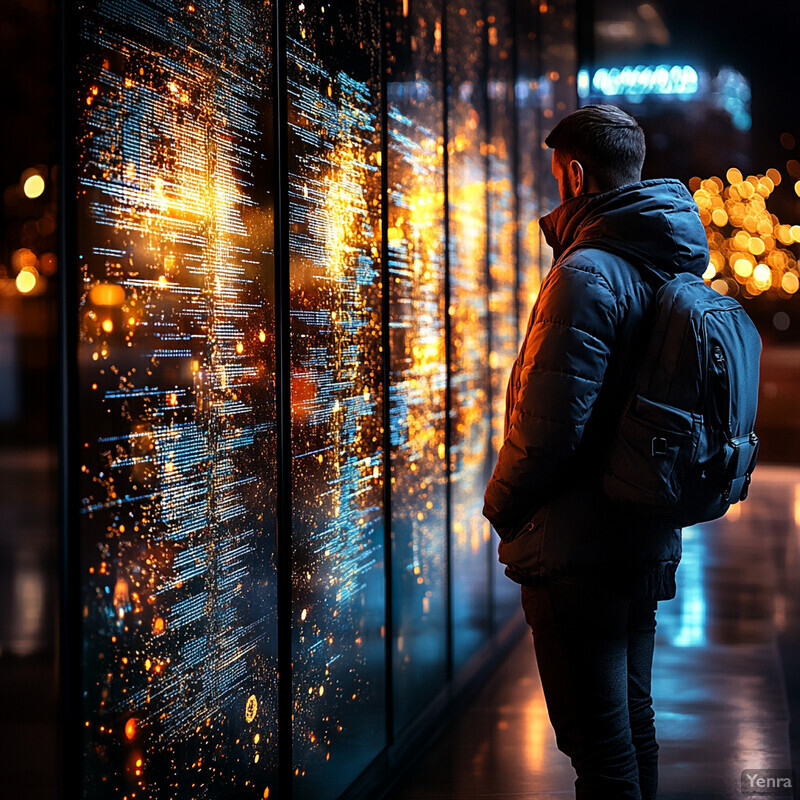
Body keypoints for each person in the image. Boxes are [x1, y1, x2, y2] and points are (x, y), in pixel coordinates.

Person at [482, 104, 709, 800]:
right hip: (639, 533)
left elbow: (550, 426)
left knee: (597, 747)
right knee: (632, 728)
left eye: (558, 175)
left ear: (576, 173)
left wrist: (501, 506)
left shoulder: (586, 273)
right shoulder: (666, 265)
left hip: (577, 548)